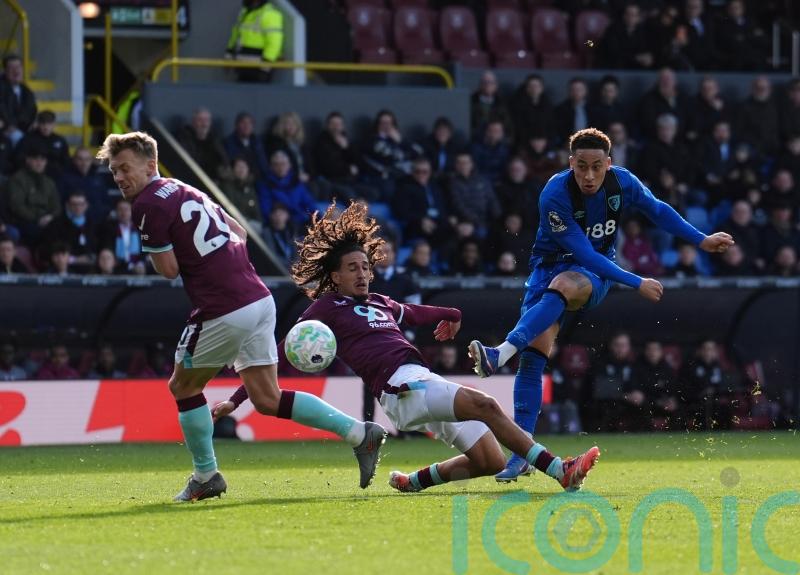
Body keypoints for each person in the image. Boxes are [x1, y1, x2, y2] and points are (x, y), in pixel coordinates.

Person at [213, 201, 601, 493]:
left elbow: (414, 313)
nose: (362, 274)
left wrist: (451, 313)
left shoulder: (379, 302)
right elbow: (279, 352)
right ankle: (559, 470)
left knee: (489, 460)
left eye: (366, 266)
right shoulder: (325, 308)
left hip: (419, 383)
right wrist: (236, 398)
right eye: (352, 268)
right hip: (400, 387)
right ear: (335, 276)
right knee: (485, 405)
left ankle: (412, 481)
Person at [95, 131, 386, 501]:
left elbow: (168, 270)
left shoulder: (147, 203)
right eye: (114, 171)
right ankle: (360, 434)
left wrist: (175, 253)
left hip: (223, 307)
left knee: (183, 387)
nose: (119, 177)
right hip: (258, 299)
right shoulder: (184, 189)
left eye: (124, 168)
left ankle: (205, 475)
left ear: (150, 165)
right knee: (267, 398)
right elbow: (239, 231)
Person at [468, 127, 734, 481]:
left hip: (594, 273)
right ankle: (522, 455)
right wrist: (637, 281)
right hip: (549, 269)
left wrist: (700, 240)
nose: (589, 175)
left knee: (565, 285)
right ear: (571, 164)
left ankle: (499, 353)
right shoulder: (554, 194)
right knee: (532, 360)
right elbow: (581, 251)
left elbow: (656, 210)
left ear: (609, 163)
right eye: (582, 167)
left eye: (597, 167)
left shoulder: (623, 183)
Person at [226, 0, 284, 83]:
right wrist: (229, 51)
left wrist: (265, 67)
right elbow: (236, 33)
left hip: (258, 68)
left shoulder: (270, 14)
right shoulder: (245, 13)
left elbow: (274, 43)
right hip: (242, 65)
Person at [0, 54, 37, 147]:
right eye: (12, 68)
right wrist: (7, 126)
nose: (16, 71)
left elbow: (32, 112)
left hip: (23, 130)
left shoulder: (27, 91)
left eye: (18, 67)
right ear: (5, 71)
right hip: (5, 131)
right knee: (19, 139)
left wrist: (33, 123)